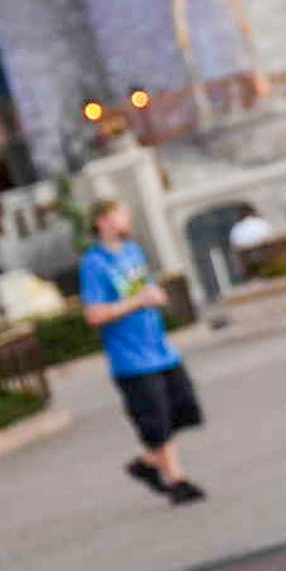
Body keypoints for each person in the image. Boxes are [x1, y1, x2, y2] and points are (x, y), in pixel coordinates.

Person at [79, 199, 206, 505]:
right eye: (121, 215)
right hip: (131, 359)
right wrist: (136, 302)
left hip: (160, 348)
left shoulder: (132, 251)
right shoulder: (94, 264)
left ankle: (147, 464)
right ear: (103, 222)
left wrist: (154, 296)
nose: (127, 220)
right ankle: (177, 479)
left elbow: (143, 288)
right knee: (155, 420)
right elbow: (94, 314)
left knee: (184, 409)